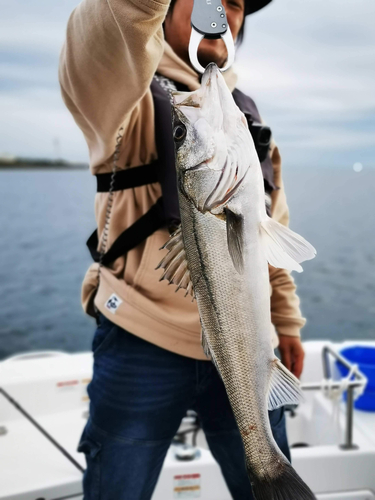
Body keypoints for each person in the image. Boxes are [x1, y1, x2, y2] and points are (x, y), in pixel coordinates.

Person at [59, 0, 307, 498]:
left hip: (245, 350)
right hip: (137, 340)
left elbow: (271, 244)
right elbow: (107, 34)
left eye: (233, 2)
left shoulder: (246, 126)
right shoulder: (123, 98)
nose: (221, 8)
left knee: (270, 473)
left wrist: (287, 324)